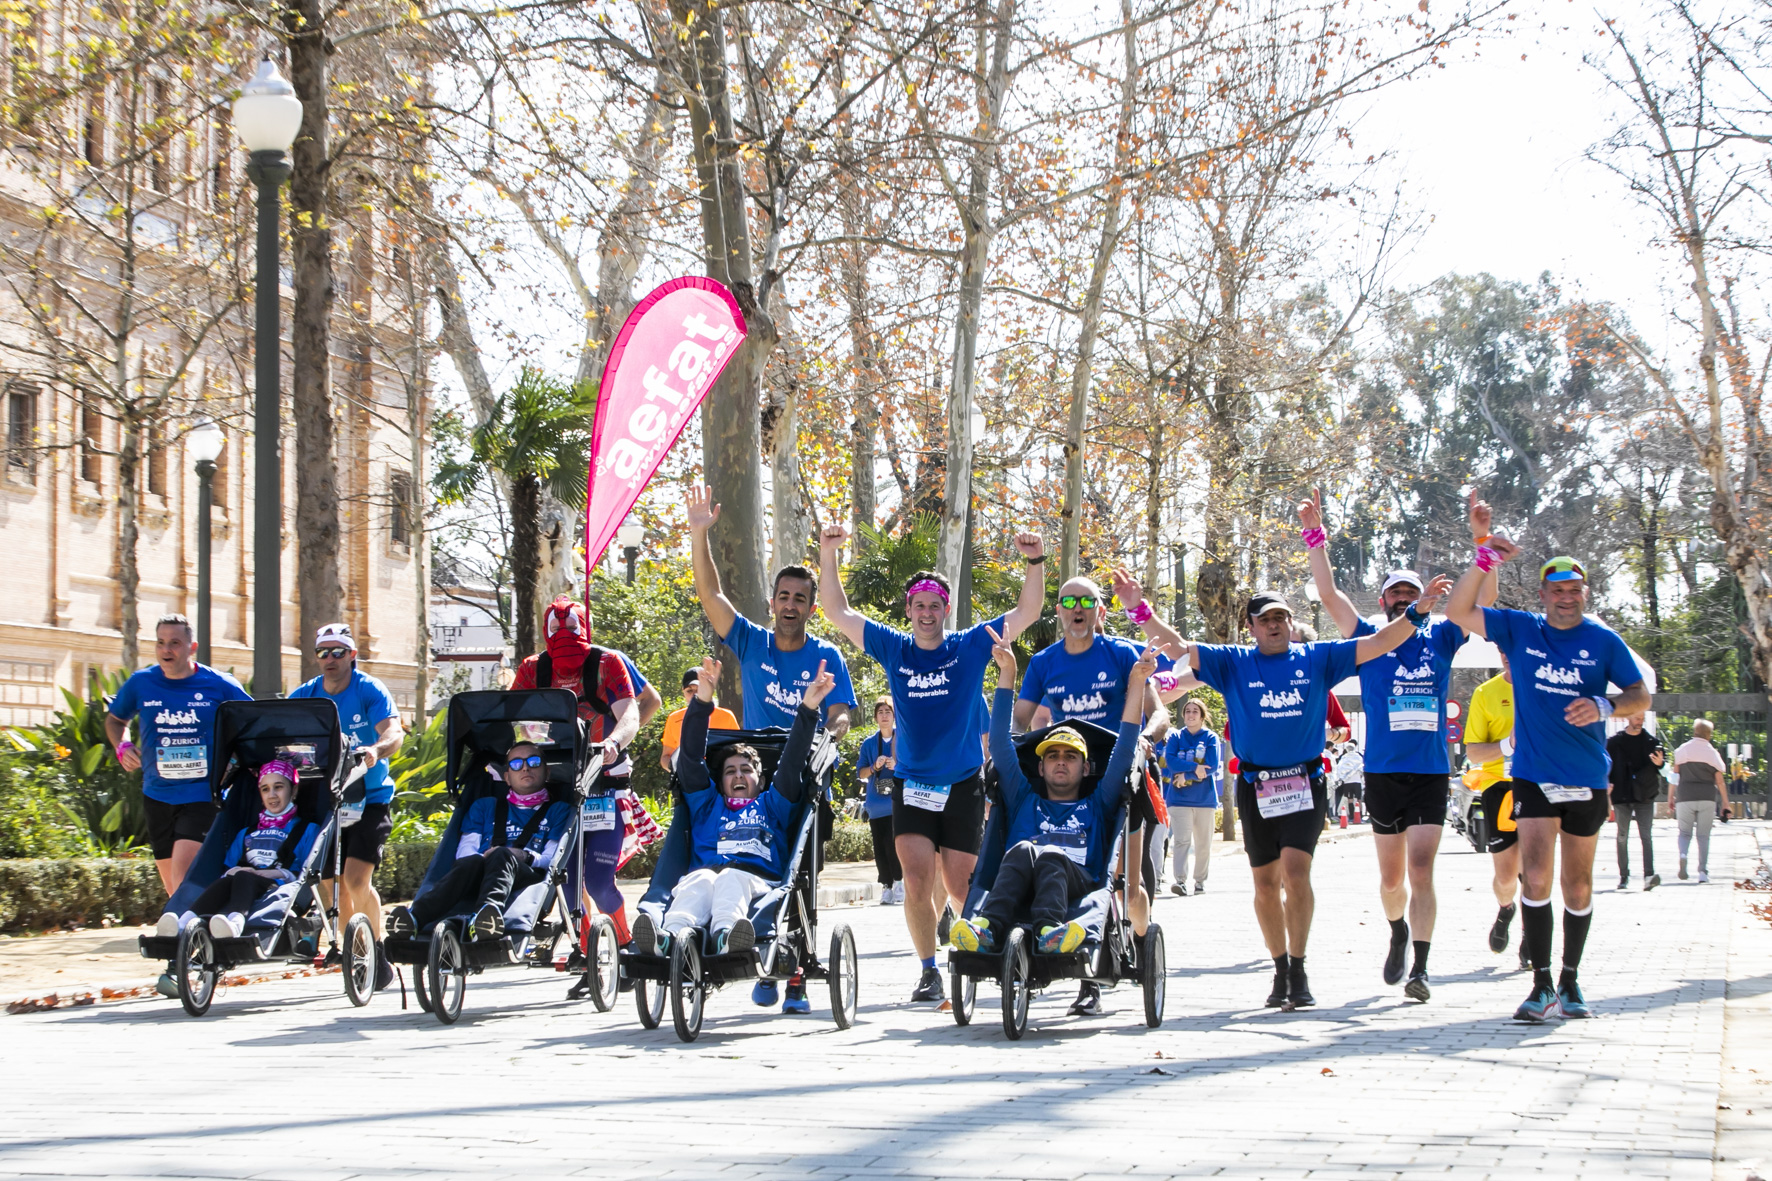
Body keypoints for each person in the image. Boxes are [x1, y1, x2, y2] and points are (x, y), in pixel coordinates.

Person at [817, 521, 1048, 1004]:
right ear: (909, 610)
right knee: (917, 880)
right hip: (912, 784)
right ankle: (928, 970)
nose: (927, 613)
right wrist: (829, 551)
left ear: (946, 610)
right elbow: (836, 610)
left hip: (963, 784)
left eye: (935, 605)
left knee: (961, 886)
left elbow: (1029, 610)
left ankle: (994, 954)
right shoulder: (893, 646)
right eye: (919, 605)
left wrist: (1034, 562)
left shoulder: (968, 645)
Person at [1174, 588, 1421, 1009]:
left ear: (1291, 622)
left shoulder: (1317, 658)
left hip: (1305, 783)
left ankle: (1300, 968)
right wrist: (1137, 607)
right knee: (1266, 885)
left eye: (1281, 617)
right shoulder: (1235, 662)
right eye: (1265, 619)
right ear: (1250, 627)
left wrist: (1417, 614)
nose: (1275, 624)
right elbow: (1180, 647)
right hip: (1256, 787)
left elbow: (1379, 643)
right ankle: (1281, 967)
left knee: (1295, 872)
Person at [1444, 539, 1650, 1023]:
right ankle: (1539, 985)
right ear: (1543, 594)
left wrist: (1605, 706)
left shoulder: (1604, 641)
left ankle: (1570, 980)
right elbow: (1459, 609)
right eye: (1558, 589)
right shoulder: (1521, 629)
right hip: (1534, 777)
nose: (1567, 597)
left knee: (1576, 885)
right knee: (1535, 877)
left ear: (1585, 593)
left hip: (1586, 777)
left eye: (1575, 589)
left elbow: (1639, 695)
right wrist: (1484, 558)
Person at [1301, 489, 1494, 1003]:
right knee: (1392, 882)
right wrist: (1315, 534)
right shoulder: (1369, 638)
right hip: (1383, 772)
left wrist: (1482, 540)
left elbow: (1484, 603)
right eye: (1398, 595)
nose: (1407, 600)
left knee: (1422, 870)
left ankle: (1422, 969)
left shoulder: (1442, 638)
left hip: (1430, 771)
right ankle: (1398, 931)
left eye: (1414, 594)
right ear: (1385, 602)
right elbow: (1328, 595)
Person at [686, 485, 857, 1013]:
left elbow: (843, 713)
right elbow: (711, 597)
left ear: (810, 608)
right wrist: (699, 533)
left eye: (800, 599)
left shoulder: (826, 654)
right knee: (751, 865)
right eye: (783, 596)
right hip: (757, 777)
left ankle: (796, 973)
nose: (790, 605)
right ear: (772, 602)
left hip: (805, 777)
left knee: (801, 873)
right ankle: (755, 945)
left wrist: (835, 729)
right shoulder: (752, 642)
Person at [1014, 572, 1173, 1013]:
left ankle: (1141, 940)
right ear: (1060, 612)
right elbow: (1021, 721)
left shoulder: (1122, 654)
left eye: (1086, 602)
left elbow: (1159, 715)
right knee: (1078, 869)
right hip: (1074, 782)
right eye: (1068, 602)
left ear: (1100, 612)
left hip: (1126, 778)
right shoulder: (1045, 662)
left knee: (1129, 884)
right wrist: (1010, 753)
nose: (1077, 610)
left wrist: (1146, 739)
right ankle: (1090, 980)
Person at [951, 630, 1149, 958]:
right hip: (1019, 879)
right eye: (1052, 757)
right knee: (1024, 848)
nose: (1060, 763)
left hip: (1076, 879)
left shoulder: (1098, 802)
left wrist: (1138, 682)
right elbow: (1000, 744)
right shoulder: (1024, 798)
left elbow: (1125, 745)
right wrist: (1008, 673)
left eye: (1070, 757)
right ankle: (987, 928)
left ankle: (1049, 931)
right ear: (1040, 768)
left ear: (1085, 769)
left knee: (1052, 854)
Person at [632, 656, 832, 956]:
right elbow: (689, 759)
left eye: (746, 769)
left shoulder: (772, 803)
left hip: (757, 881)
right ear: (721, 781)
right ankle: (667, 939)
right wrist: (701, 702)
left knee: (729, 877)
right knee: (698, 879)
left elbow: (791, 763)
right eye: (730, 771)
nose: (738, 775)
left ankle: (726, 936)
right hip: (706, 875)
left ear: (760, 779)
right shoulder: (707, 805)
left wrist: (807, 709)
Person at [106, 614, 253, 997]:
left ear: (192, 648)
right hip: (157, 795)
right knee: (175, 888)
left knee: (185, 878)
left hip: (200, 797)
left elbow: (252, 720)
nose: (166, 650)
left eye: (174, 643)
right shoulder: (142, 683)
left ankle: (178, 968)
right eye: (160, 643)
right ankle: (203, 953)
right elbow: (116, 718)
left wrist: (235, 762)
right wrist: (122, 745)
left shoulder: (218, 684)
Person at [509, 597, 640, 948]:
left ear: (585, 628)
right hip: (559, 788)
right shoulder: (531, 669)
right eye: (556, 628)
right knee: (566, 878)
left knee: (598, 881)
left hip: (604, 785)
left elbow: (630, 712)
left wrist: (613, 742)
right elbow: (510, 719)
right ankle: (588, 954)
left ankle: (624, 945)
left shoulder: (608, 663)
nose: (564, 634)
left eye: (571, 627)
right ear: (545, 630)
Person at [287, 623, 404, 990]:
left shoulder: (368, 689)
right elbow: (282, 732)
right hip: (326, 800)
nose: (331, 659)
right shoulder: (306, 694)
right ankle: (357, 953)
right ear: (316, 658)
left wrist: (375, 749)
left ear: (352, 655)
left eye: (339, 652)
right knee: (329, 887)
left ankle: (377, 949)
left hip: (369, 798)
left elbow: (394, 732)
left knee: (355, 880)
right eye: (324, 653)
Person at [387, 739, 574, 940]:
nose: (526, 768)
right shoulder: (484, 807)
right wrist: (486, 857)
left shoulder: (559, 810)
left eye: (534, 762)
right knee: (474, 861)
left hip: (526, 874)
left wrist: (524, 856)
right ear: (507, 778)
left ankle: (486, 918)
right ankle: (414, 918)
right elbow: (465, 852)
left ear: (547, 773)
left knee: (502, 854)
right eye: (516, 764)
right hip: (480, 868)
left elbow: (551, 859)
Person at [154, 761, 319, 941]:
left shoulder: (308, 830)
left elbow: (304, 873)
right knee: (225, 881)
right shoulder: (246, 833)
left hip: (277, 883)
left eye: (278, 787)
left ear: (293, 790)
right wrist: (239, 871)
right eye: (265, 789)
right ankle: (183, 921)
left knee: (243, 877)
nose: (272, 795)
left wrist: (268, 873)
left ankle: (236, 922)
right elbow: (229, 868)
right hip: (243, 880)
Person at [1464, 654, 1528, 969]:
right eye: (1503, 648)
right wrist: (1508, 747)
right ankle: (1506, 907)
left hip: (1538, 783)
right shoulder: (1485, 693)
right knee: (1506, 876)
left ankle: (1532, 934)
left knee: (1534, 869)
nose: (1508, 654)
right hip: (1499, 787)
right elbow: (1473, 750)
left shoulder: (1543, 685)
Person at [1162, 698, 1222, 896]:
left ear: (1202, 716)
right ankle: (1180, 881)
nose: (1190, 714)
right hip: (1179, 800)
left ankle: (1199, 882)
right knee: (1181, 841)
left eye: (1195, 711)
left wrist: (1186, 775)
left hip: (1205, 800)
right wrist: (1195, 767)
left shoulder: (1210, 738)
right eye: (1187, 711)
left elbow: (1212, 765)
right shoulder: (1176, 737)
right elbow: (1170, 762)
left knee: (1203, 843)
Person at [1606, 713, 1664, 890]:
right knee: (1622, 835)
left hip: (1645, 795)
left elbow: (1662, 767)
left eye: (1642, 718)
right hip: (1622, 794)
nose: (1640, 721)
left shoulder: (1651, 742)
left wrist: (1660, 763)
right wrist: (1606, 783)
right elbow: (1606, 764)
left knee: (1646, 835)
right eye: (1637, 718)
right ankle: (1623, 876)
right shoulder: (1614, 742)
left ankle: (1648, 875)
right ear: (1628, 718)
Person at [1670, 719, 1730, 883]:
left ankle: (1683, 854)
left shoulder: (1682, 750)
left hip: (1685, 797)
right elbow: (1719, 779)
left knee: (1684, 833)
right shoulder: (1712, 753)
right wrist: (1725, 802)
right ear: (1708, 734)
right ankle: (1703, 871)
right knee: (1703, 836)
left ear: (1694, 732)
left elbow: (1674, 776)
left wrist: (1670, 796)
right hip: (1707, 797)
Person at [857, 698, 904, 905]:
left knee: (897, 845)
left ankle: (900, 882)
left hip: (899, 803)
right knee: (881, 847)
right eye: (880, 712)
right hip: (876, 805)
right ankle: (886, 886)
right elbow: (861, 772)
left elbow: (915, 766)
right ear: (875, 717)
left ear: (894, 716)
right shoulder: (869, 743)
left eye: (888, 711)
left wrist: (898, 765)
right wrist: (875, 767)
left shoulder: (902, 739)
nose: (884, 715)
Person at [660, 667, 739, 771]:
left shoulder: (726, 716)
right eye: (689, 691)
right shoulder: (674, 718)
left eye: (699, 689)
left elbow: (739, 750)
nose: (694, 694)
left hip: (720, 775)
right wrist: (677, 770)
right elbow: (665, 757)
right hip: (689, 778)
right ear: (683, 692)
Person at [1329, 738, 1364, 823]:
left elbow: (1339, 769)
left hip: (1347, 782)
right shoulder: (1358, 757)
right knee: (1359, 799)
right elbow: (1362, 768)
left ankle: (1352, 815)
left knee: (1350, 799)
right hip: (1357, 781)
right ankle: (1360, 815)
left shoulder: (1344, 758)